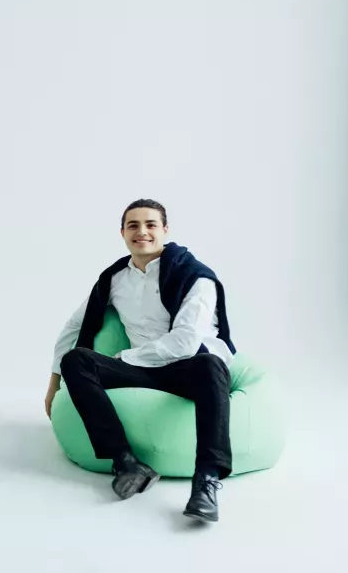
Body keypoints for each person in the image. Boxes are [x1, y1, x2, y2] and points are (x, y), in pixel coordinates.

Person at [46, 200, 235, 522]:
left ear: (165, 231)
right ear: (122, 233)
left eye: (150, 224)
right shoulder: (115, 279)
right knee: (78, 360)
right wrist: (53, 384)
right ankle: (126, 462)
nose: (142, 232)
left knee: (211, 366)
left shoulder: (196, 277)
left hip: (190, 366)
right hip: (143, 370)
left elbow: (185, 342)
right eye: (133, 225)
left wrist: (123, 358)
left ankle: (206, 480)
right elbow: (74, 327)